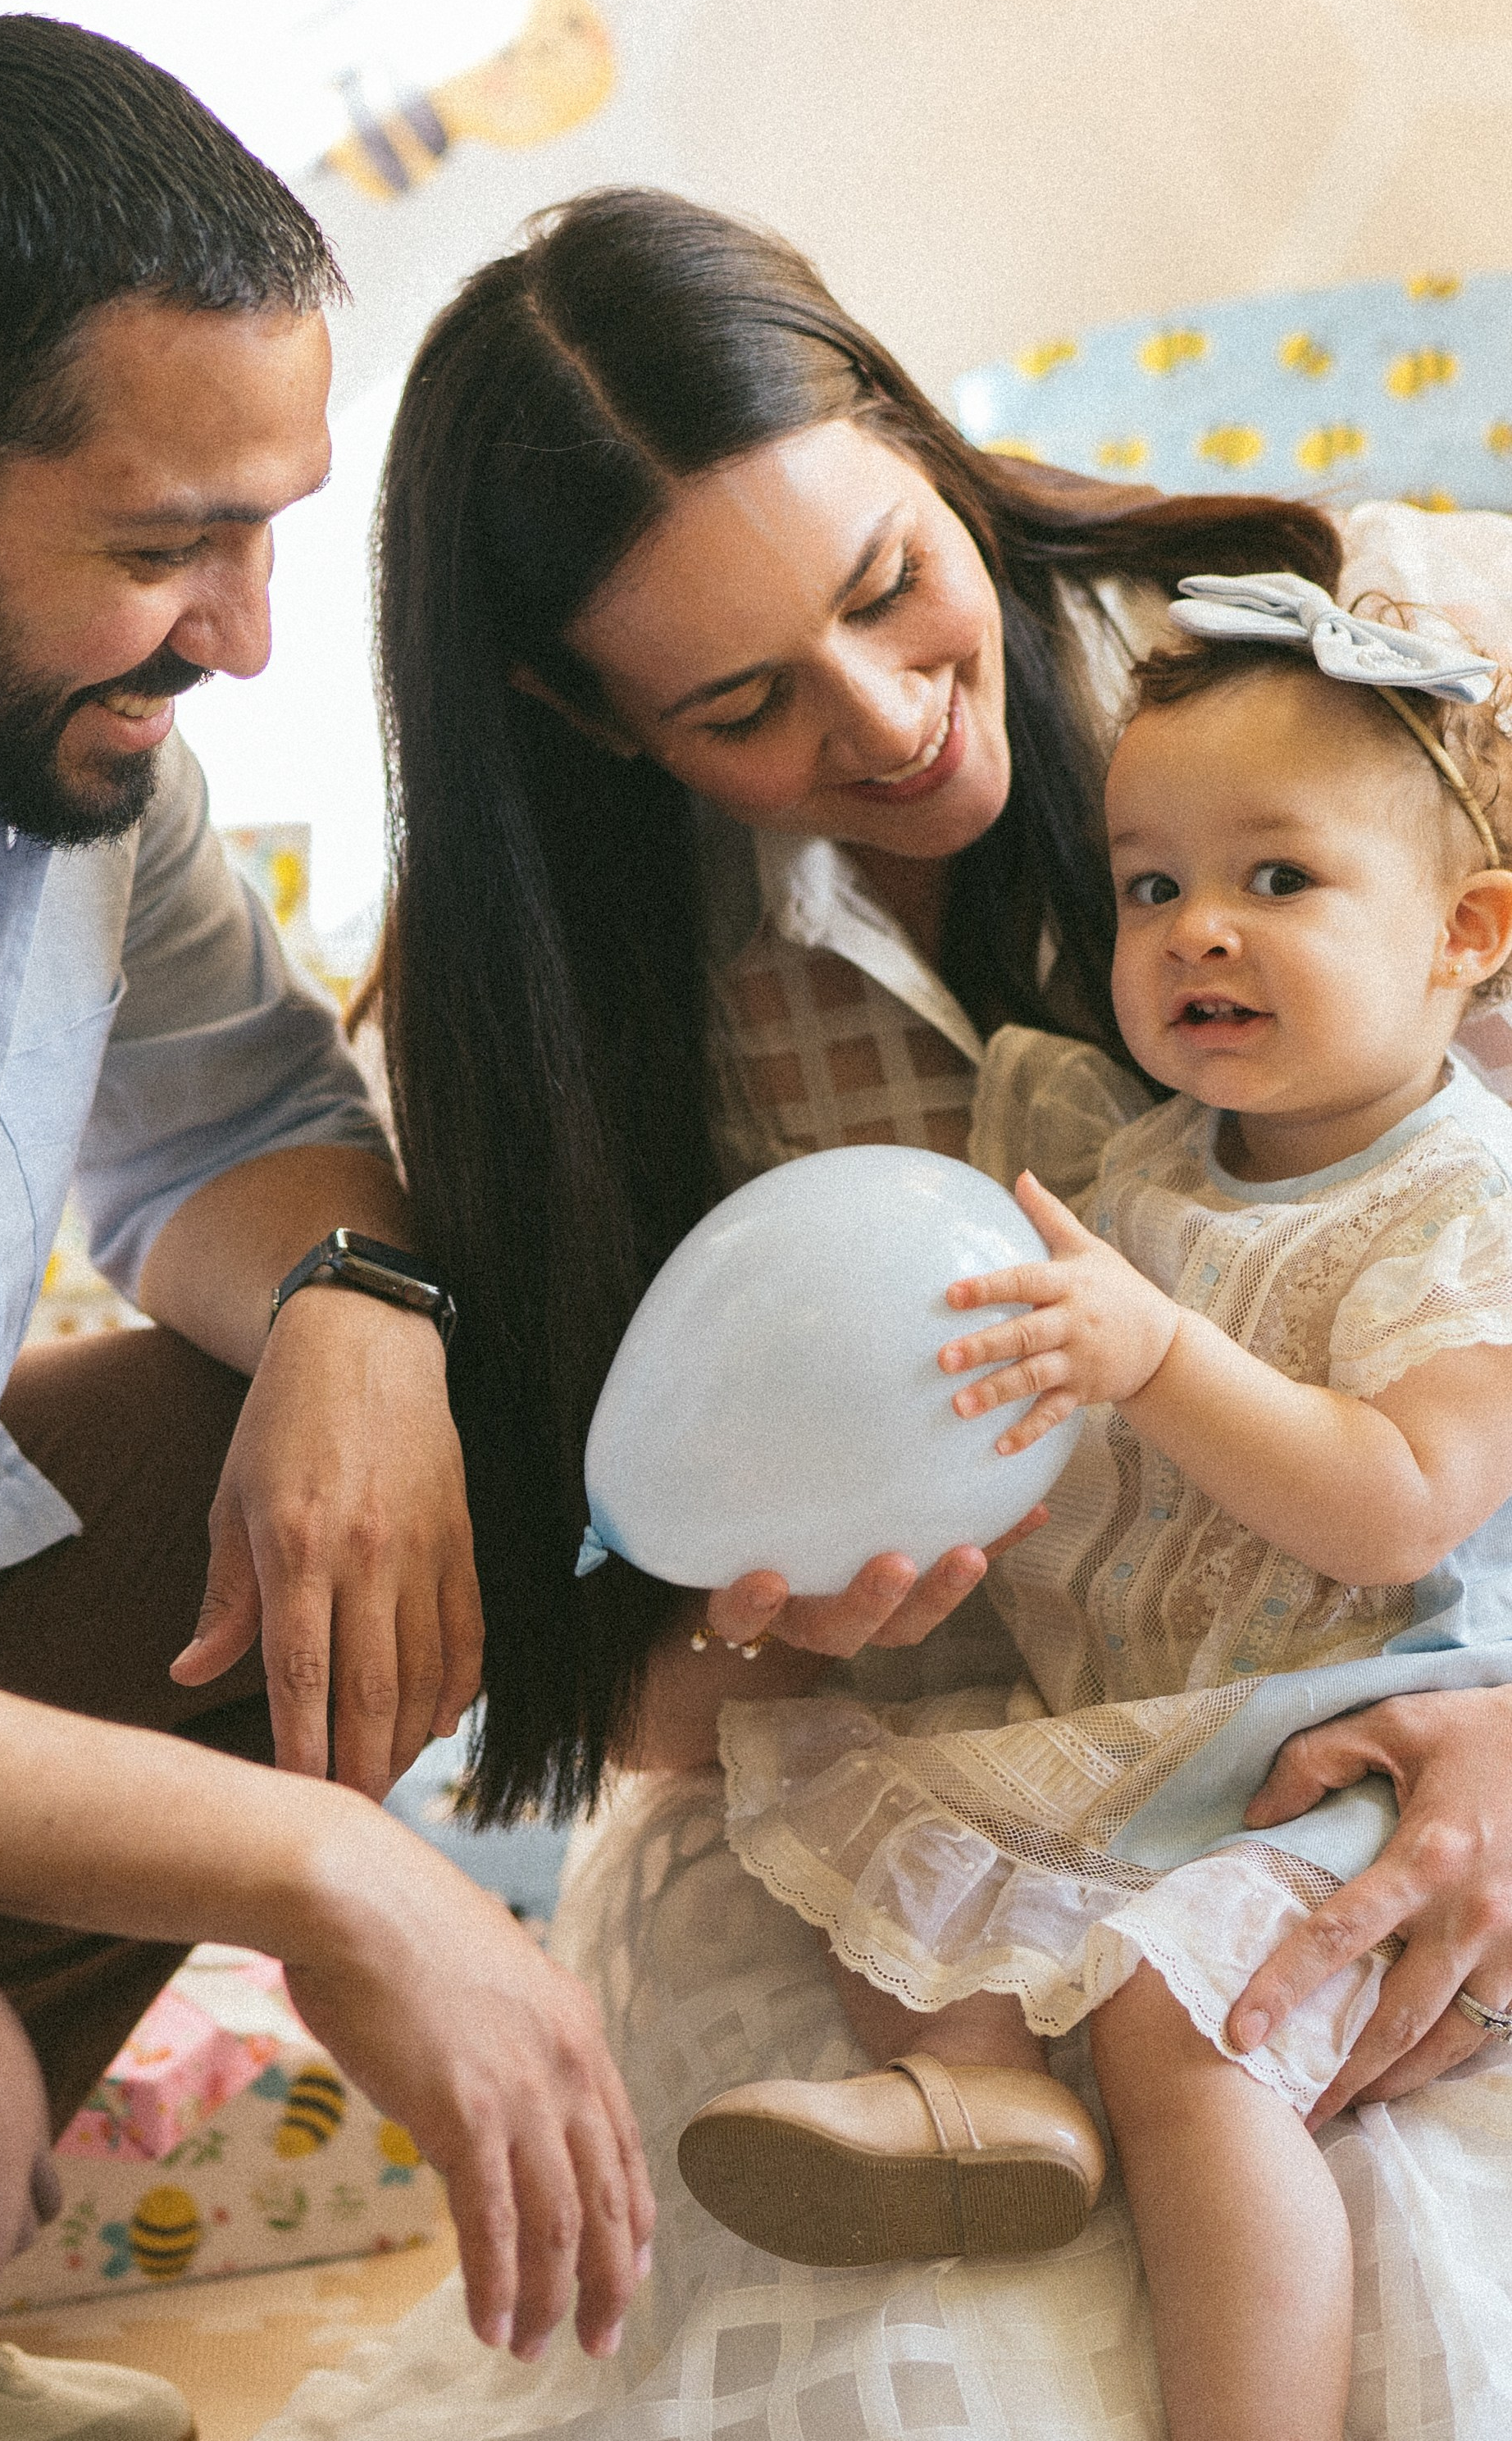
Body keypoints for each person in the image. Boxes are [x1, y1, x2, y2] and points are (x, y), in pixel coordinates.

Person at [265, 191, 1512, 2441]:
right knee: (944, 2367)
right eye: (741, 705)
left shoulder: (1346, 662)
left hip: (1403, 1679)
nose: (891, 720)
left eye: (890, 587)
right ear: (582, 713)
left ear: (908, 427)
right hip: (912, 1773)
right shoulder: (561, 1003)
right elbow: (613, 1656)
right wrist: (778, 1632)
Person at [0, 20, 652, 2441]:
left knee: (418, 1464)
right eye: (162, 547)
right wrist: (327, 1874)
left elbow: (243, 1118)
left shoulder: (48, 718)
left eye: (269, 525)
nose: (245, 634)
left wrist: (356, 1306)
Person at [678, 579, 1512, 2441]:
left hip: (1356, 1735)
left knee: (1176, 2020)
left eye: (1277, 882)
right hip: (1148, 1705)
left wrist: (1152, 1361)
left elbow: (1396, 1505)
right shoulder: (1135, 1162)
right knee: (870, 1816)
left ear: (1465, 932)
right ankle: (979, 2105)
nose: (1196, 929)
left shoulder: (1464, 1200)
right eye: (1149, 886)